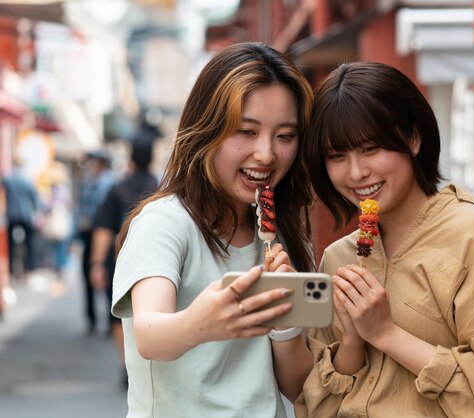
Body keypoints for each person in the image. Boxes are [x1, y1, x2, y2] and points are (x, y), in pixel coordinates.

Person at [294, 62, 474, 417]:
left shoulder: (470, 235)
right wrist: (352, 343)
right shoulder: (338, 259)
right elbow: (315, 406)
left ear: (413, 139)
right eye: (337, 156)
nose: (357, 172)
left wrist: (385, 333)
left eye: (371, 148)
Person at [110, 42, 315, 416]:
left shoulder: (286, 235)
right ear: (207, 130)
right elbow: (150, 335)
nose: (267, 154)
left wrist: (284, 321)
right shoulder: (166, 223)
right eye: (246, 131)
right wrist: (203, 321)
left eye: (285, 136)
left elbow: (298, 386)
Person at [90, 138, 158, 383]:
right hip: (156, 259)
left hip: (119, 259)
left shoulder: (117, 188)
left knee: (119, 313)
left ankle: (127, 363)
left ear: (131, 158)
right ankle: (146, 363)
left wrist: (96, 264)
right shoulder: (160, 187)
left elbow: (103, 229)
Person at [76, 150, 114, 334]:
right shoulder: (88, 182)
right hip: (88, 232)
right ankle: (92, 319)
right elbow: (81, 207)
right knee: (87, 275)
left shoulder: (109, 183)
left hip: (102, 233)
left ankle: (110, 319)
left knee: (105, 275)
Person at [1, 158, 41, 279]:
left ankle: (12, 269)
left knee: (11, 245)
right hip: (25, 215)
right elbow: (35, 199)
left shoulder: (8, 179)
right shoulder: (28, 180)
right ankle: (29, 267)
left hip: (12, 215)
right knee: (29, 243)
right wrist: (37, 212)